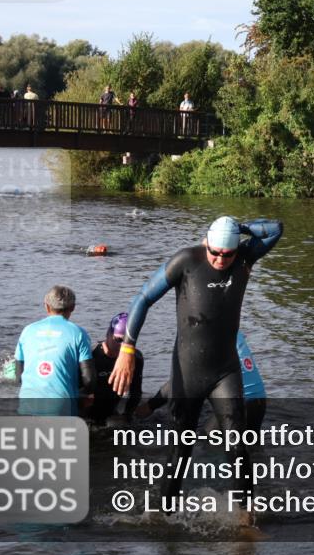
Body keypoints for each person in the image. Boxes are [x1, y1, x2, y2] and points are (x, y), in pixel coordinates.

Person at [110, 216, 282, 518]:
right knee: (181, 452)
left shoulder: (244, 257)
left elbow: (275, 229)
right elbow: (143, 298)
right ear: (207, 244)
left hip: (225, 371)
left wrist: (236, 227)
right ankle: (164, 517)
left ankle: (245, 521)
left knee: (238, 447)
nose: (219, 259)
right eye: (215, 251)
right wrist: (127, 348)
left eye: (226, 254)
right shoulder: (187, 260)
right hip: (187, 372)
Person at [136, 331, 266, 435]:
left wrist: (149, 406)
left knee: (207, 440)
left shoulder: (202, 336)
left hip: (238, 404)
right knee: (250, 450)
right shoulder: (231, 327)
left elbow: (182, 381)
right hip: (259, 400)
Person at [14, 286, 96, 416]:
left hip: (27, 407)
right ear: (73, 307)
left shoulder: (27, 331)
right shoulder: (79, 334)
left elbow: (18, 377)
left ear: (46, 306)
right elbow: (89, 380)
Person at [83, 312, 144, 424]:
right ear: (108, 334)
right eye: (119, 340)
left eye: (128, 342)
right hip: (90, 412)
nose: (122, 346)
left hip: (116, 413)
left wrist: (126, 415)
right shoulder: (91, 355)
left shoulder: (136, 358)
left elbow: (135, 392)